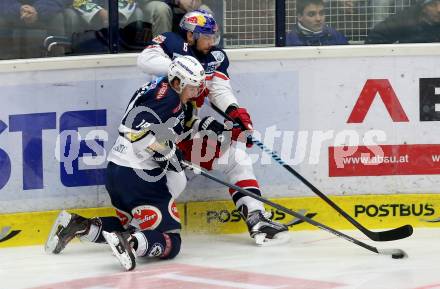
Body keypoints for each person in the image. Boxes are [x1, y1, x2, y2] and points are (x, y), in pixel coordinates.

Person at [45, 55, 228, 271]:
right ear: (178, 82)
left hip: (118, 171)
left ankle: (79, 225)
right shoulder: (167, 97)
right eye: (193, 87)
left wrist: (199, 124)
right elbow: (136, 132)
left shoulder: (165, 90)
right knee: (171, 241)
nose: (196, 93)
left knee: (133, 223)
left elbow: (170, 123)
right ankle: (128, 242)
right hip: (138, 176)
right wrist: (168, 154)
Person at [137, 9, 289, 246]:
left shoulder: (215, 56)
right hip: (158, 140)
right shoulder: (171, 42)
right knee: (169, 186)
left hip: (186, 132)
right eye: (206, 36)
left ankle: (256, 217)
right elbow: (144, 60)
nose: (211, 42)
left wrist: (235, 113)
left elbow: (218, 89)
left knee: (236, 157)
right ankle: (133, 228)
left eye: (213, 36)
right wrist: (185, 68)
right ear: (189, 36)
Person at [0, 0, 71, 59]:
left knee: (59, 18)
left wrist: (39, 10)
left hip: (48, 11)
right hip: (12, 13)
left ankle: (58, 63)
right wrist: (18, 10)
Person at [365, 0, 440, 43]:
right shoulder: (406, 18)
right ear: (423, 7)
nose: (439, 9)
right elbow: (375, 39)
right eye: (433, 4)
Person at [138, 0, 212, 37]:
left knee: (205, 11)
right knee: (161, 9)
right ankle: (162, 51)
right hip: (156, 3)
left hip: (187, 4)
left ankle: (204, 56)